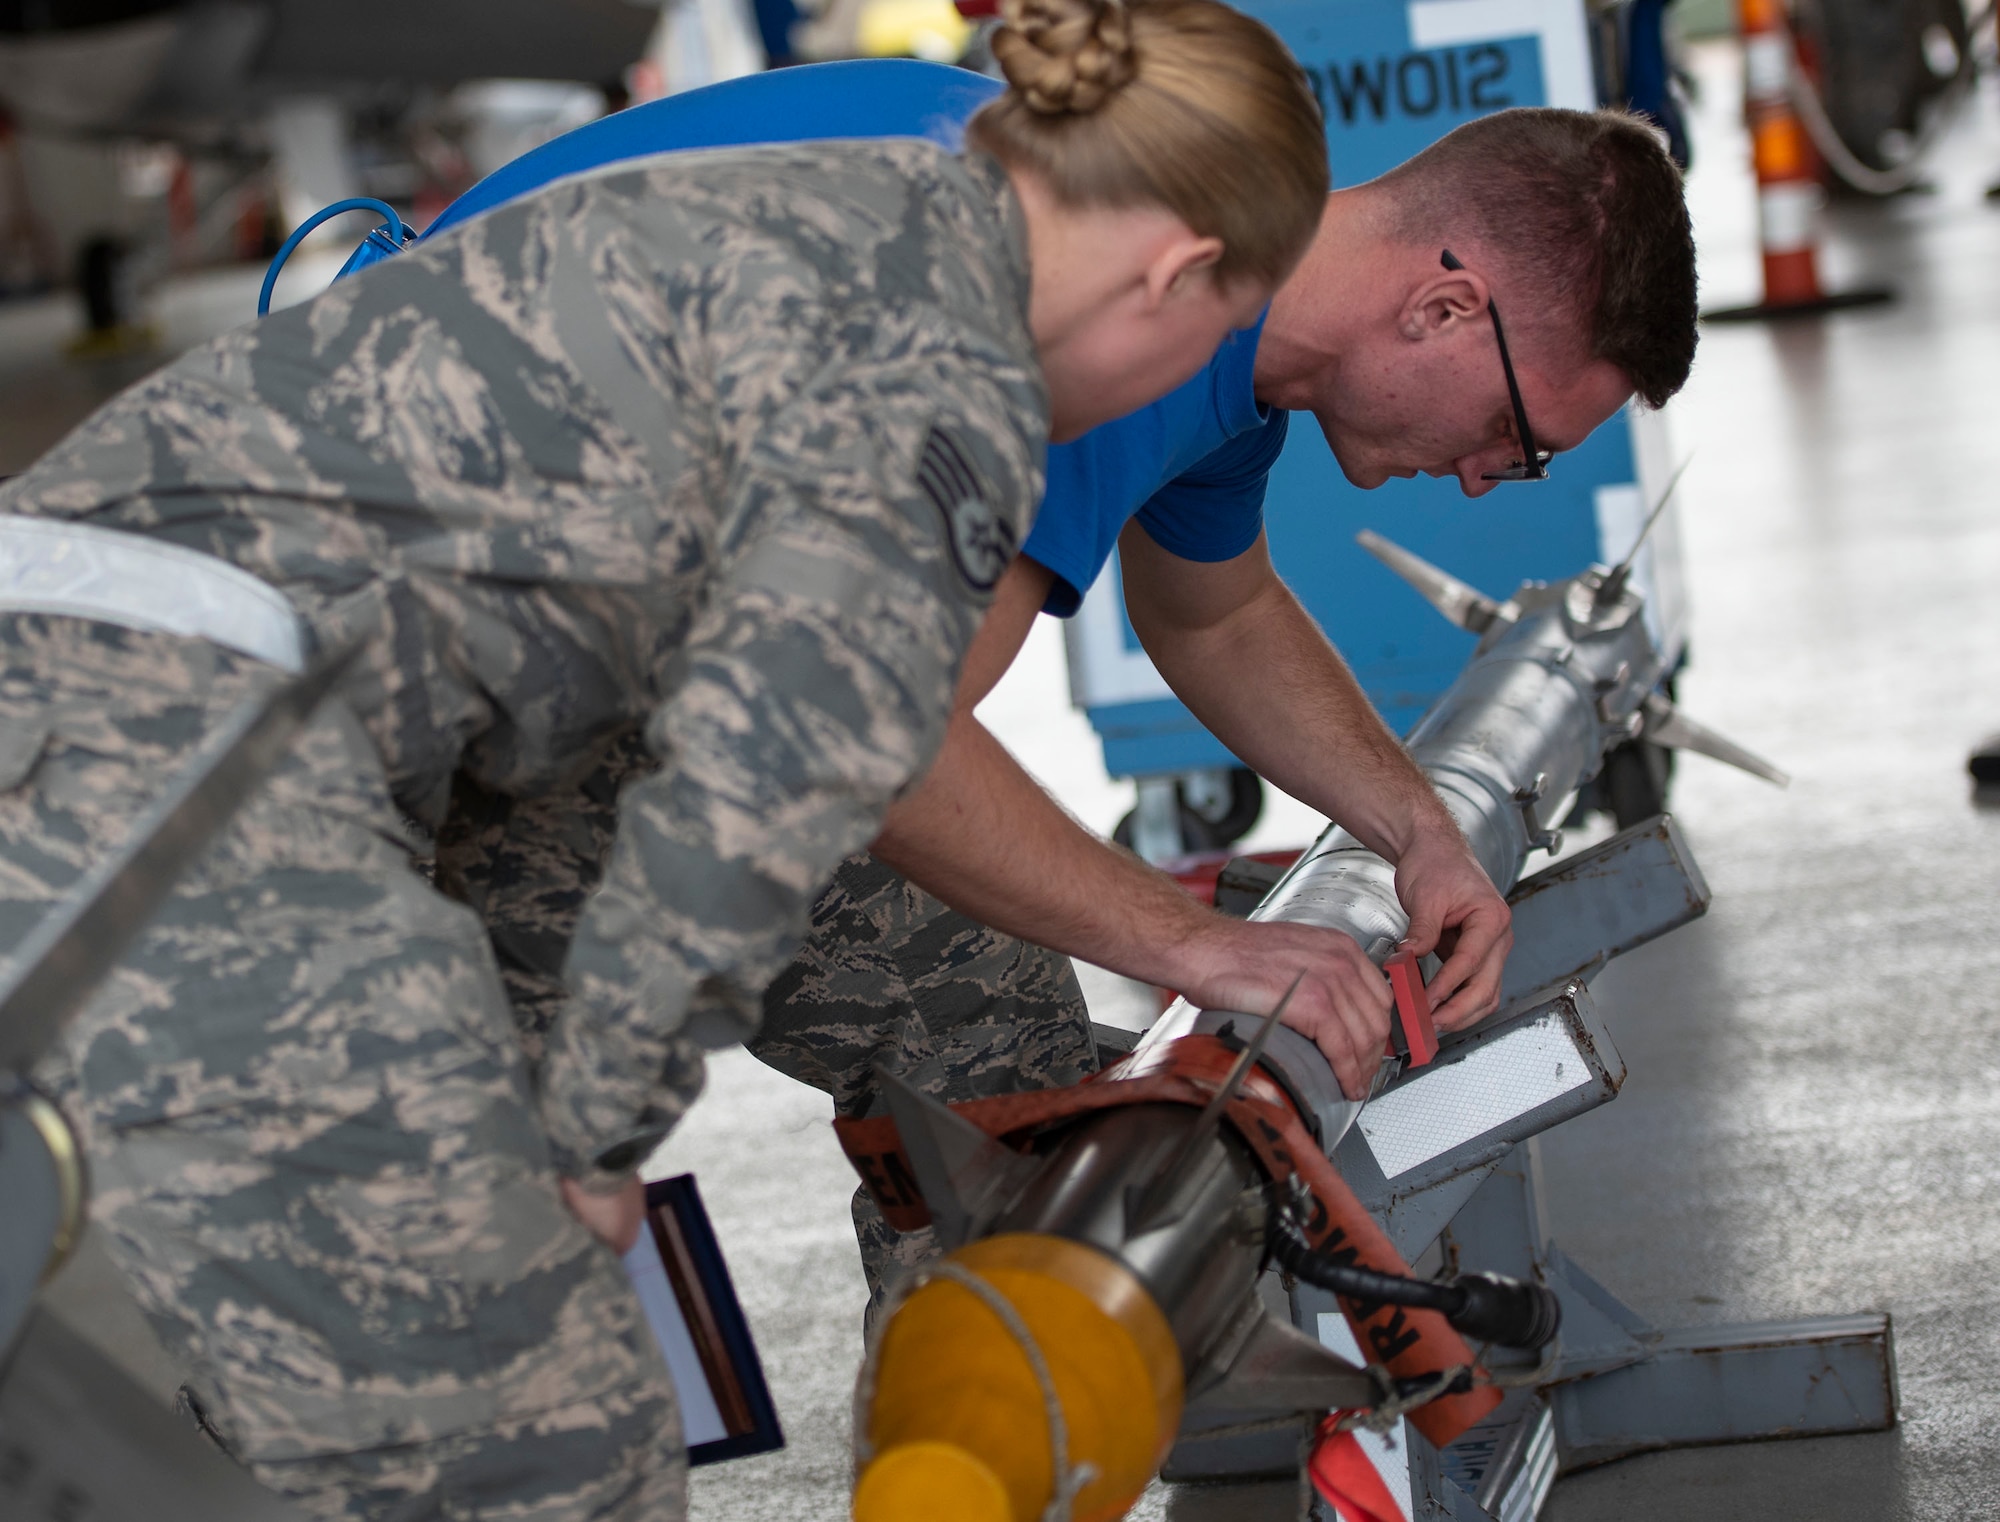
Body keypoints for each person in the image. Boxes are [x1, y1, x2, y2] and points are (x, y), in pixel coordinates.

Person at [0, 2, 1330, 1516]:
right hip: (167, 757)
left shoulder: (865, 200)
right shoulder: (941, 371)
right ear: (1172, 275)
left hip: (116, 668)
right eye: (1216, 337)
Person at [427, 66, 1700, 1299]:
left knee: (978, 1040)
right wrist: (1202, 945)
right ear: (1444, 309)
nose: (1488, 475)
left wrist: (1419, 833)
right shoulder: (1091, 300)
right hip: (400, 603)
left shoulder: (1216, 283)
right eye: (1518, 438)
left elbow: (1214, 610)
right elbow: (884, 742)